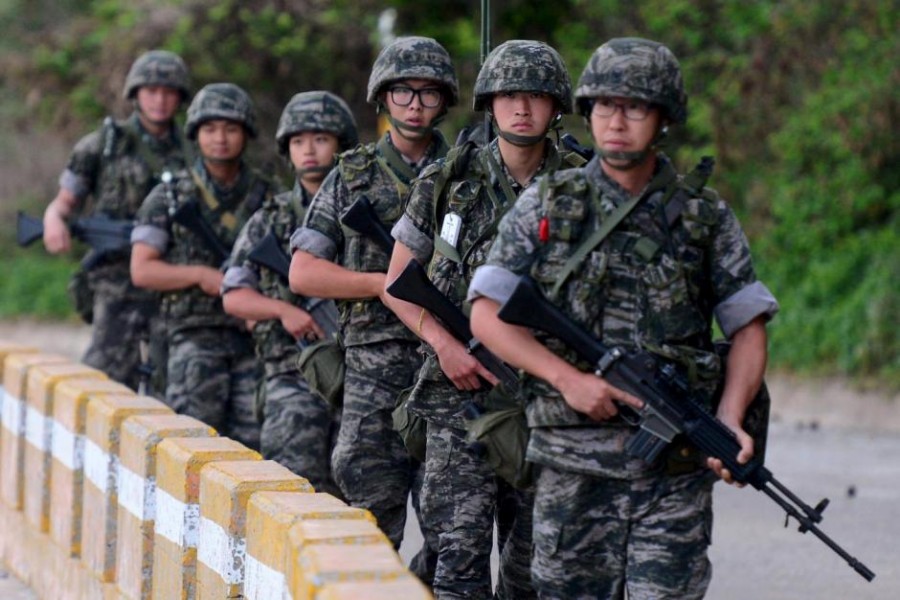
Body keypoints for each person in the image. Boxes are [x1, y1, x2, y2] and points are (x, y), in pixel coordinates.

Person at [468, 37, 780, 599]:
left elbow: (748, 325)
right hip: (571, 469)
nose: (617, 121)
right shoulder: (548, 203)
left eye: (635, 107)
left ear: (663, 118)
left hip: (674, 474)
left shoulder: (702, 216)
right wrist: (568, 380)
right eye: (605, 106)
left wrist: (730, 418)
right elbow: (487, 314)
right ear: (587, 112)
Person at [384, 40, 584, 599]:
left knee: (534, 570)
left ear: (556, 106)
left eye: (537, 97)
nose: (523, 109)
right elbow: (397, 284)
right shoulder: (448, 181)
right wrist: (443, 345)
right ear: (489, 103)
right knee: (459, 564)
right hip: (459, 400)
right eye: (509, 96)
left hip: (544, 401)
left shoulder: (581, 186)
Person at [288, 35, 458, 582]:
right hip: (375, 366)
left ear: (444, 101)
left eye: (428, 93)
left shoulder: (464, 173)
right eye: (403, 92)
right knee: (369, 512)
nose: (415, 105)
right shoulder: (351, 175)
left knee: (455, 524)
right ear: (382, 98)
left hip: (449, 366)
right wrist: (381, 284)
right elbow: (304, 271)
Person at [221, 91, 359, 496]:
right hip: (292, 375)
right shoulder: (272, 218)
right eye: (299, 141)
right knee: (289, 489)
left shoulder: (364, 213)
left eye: (320, 139)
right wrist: (283, 310)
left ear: (341, 144)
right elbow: (234, 294)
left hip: (360, 377)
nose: (309, 150)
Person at [130, 83, 279, 450]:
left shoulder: (268, 193)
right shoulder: (169, 195)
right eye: (210, 130)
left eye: (230, 129)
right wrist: (200, 275)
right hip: (191, 338)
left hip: (253, 338)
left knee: (254, 448)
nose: (220, 139)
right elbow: (143, 270)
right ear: (196, 134)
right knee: (192, 446)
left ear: (246, 133)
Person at [42, 49, 192, 393]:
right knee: (102, 383)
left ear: (180, 98)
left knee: (172, 388)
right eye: (151, 91)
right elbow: (63, 203)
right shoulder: (102, 146)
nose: (160, 100)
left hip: (173, 281)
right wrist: (53, 222)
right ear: (135, 94)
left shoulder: (193, 149)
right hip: (116, 281)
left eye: (169, 92)